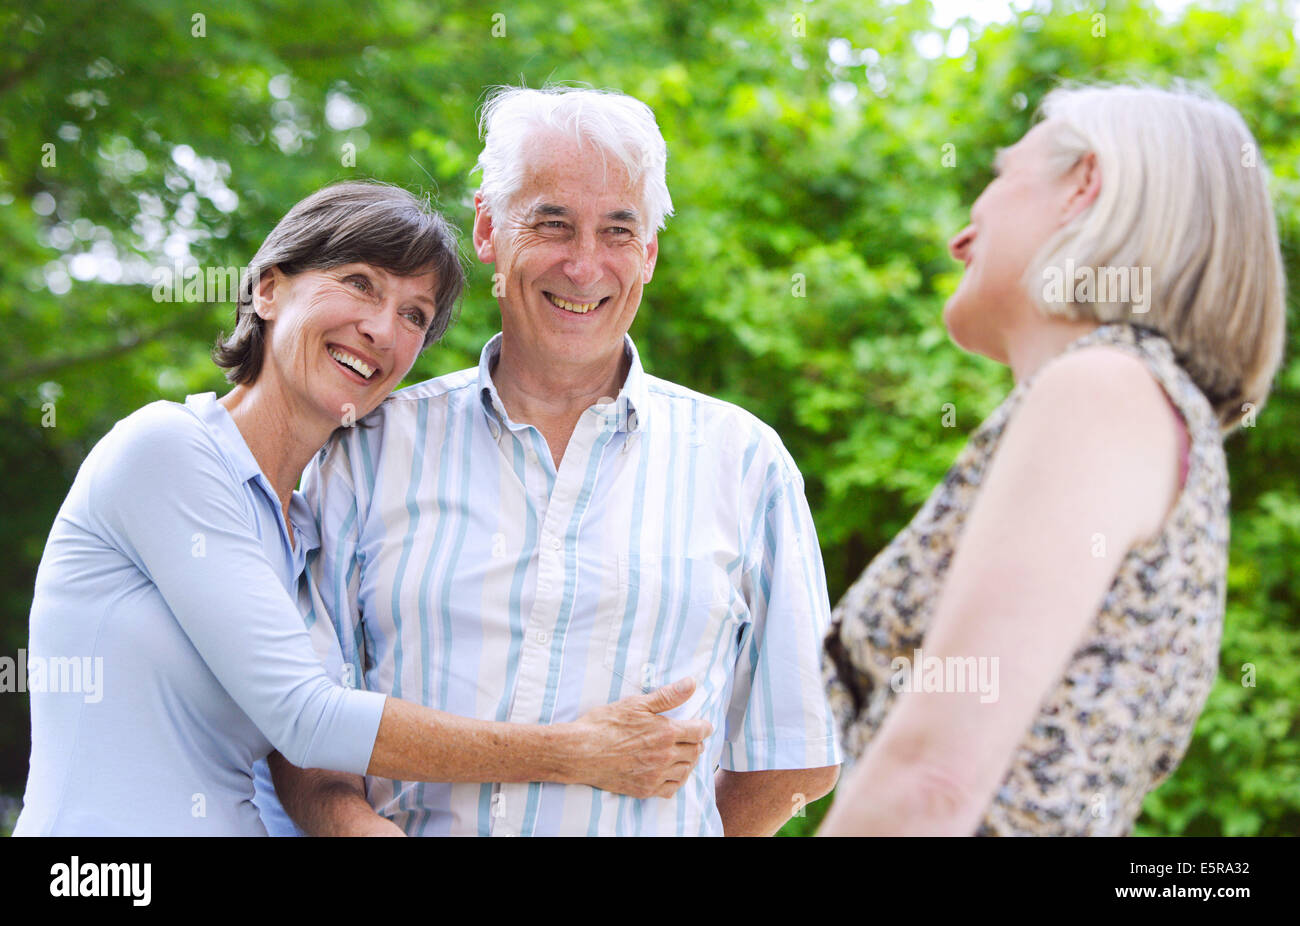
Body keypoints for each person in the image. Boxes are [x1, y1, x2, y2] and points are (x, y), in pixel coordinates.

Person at [14, 181, 711, 836]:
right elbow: (307, 718)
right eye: (358, 285)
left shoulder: (309, 527)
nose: (382, 328)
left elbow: (287, 773)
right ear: (267, 289)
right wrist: (574, 753)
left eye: (414, 315)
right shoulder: (167, 452)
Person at [273, 87, 842, 836]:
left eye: (617, 230)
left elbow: (795, 756)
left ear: (648, 253)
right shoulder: (367, 450)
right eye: (552, 224)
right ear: (487, 229)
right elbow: (304, 746)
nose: (583, 265)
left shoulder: (744, 462)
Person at [819, 83, 1286, 836]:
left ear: (1084, 185)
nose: (958, 238)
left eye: (1001, 176)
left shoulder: (1101, 392)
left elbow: (932, 782)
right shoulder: (1151, 411)